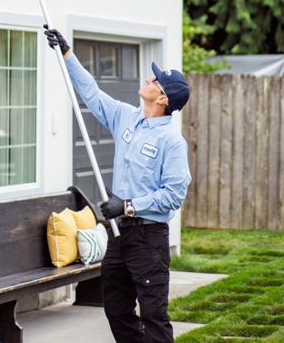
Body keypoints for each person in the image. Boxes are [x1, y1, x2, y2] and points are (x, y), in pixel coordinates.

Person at [45, 27, 191, 343]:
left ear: (163, 98)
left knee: (153, 315)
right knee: (115, 308)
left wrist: (126, 205)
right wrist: (67, 53)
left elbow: (173, 195)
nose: (148, 80)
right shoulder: (126, 117)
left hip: (148, 239)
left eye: (155, 81)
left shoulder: (172, 142)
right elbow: (92, 93)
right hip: (119, 235)